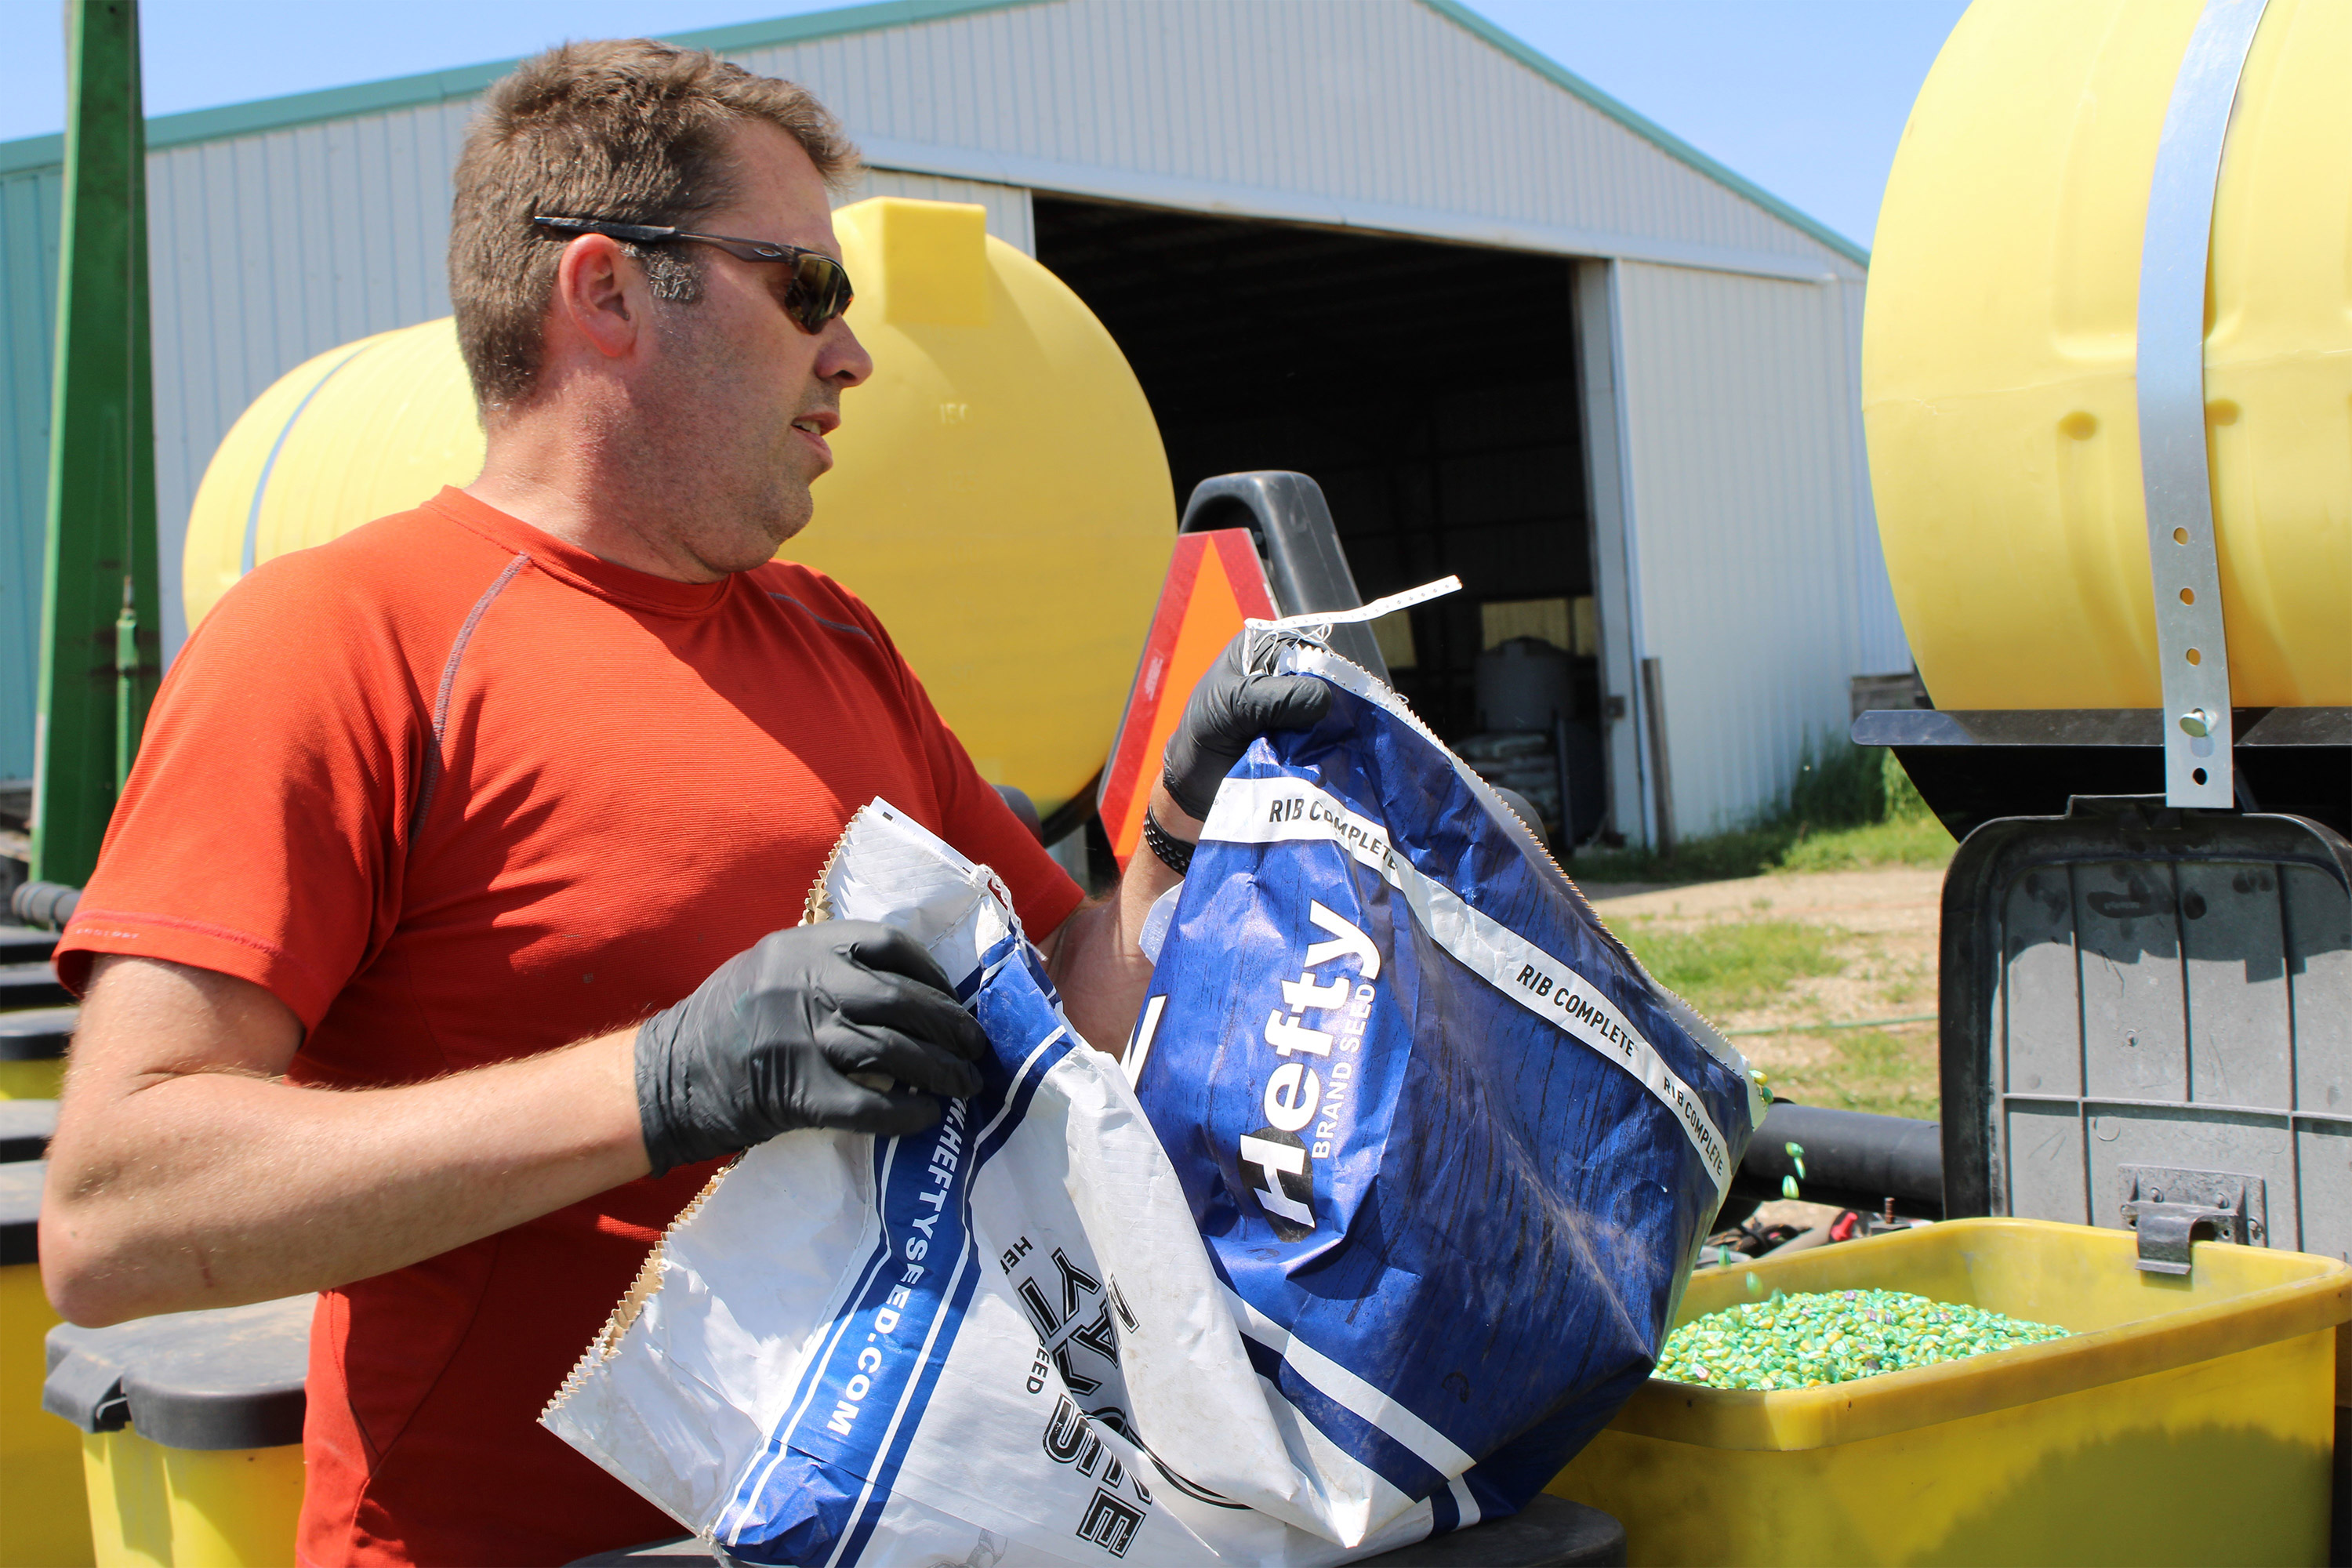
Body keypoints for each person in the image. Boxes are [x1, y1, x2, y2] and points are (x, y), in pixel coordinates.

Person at [39, 40, 1324, 1568]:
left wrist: (1180, 824)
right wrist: (664, 1081)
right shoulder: (340, 641)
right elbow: (111, 1215)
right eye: (809, 290)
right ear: (606, 292)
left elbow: (1072, 1014)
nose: (852, 355)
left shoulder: (835, 635)